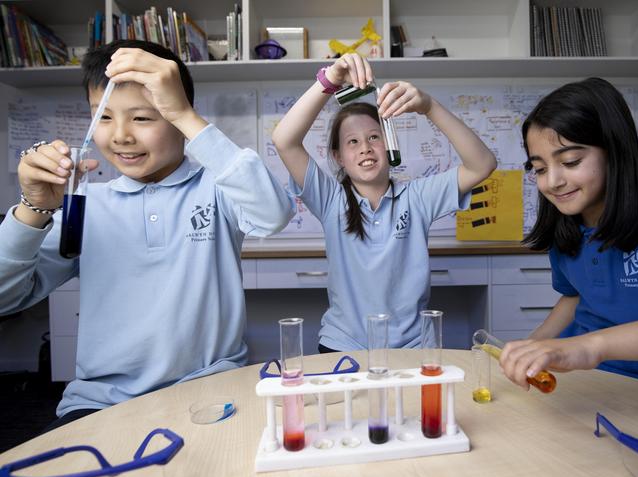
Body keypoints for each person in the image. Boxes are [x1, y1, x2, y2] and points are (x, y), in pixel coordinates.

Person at [0, 40, 293, 429]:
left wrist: (186, 115)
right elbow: (7, 297)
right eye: (102, 118)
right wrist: (32, 209)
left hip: (211, 390)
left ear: (176, 114)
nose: (120, 136)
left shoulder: (217, 187)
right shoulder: (83, 202)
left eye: (143, 118)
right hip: (102, 403)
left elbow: (272, 214)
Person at [272, 53, 497, 352]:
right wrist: (330, 80)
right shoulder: (330, 199)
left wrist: (429, 106)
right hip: (344, 345)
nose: (365, 148)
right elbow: (284, 140)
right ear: (339, 157)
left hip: (413, 348)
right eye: (352, 141)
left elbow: (482, 164)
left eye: (374, 137)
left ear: (390, 143)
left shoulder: (417, 198)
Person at [499, 77, 638, 389]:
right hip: (584, 383)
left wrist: (588, 347)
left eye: (570, 161)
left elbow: (586, 347)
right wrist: (533, 345)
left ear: (614, 150)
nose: (553, 181)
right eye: (539, 169)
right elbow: (574, 295)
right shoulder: (567, 225)